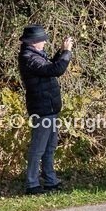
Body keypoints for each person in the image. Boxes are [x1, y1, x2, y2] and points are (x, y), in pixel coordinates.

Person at [17, 25, 73, 195]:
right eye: (42, 40)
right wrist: (67, 52)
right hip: (42, 109)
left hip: (49, 108)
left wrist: (61, 51)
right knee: (38, 148)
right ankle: (32, 184)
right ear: (33, 42)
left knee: (50, 146)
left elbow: (49, 67)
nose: (44, 42)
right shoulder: (28, 58)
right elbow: (55, 70)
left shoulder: (35, 55)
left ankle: (50, 180)